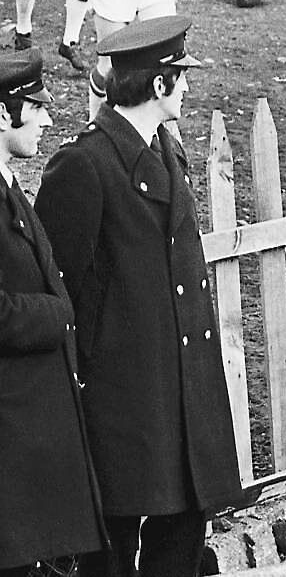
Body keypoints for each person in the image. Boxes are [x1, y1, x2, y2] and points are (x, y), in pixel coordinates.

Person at [34, 15, 241, 577]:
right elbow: (61, 288)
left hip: (180, 383)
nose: (189, 86)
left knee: (185, 523)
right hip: (122, 394)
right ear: (158, 84)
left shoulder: (164, 148)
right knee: (114, 540)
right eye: (182, 76)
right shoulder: (84, 164)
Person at [0, 48, 105, 577]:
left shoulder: (10, 184)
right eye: (34, 107)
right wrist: (55, 315)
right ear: (3, 114)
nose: (46, 118)